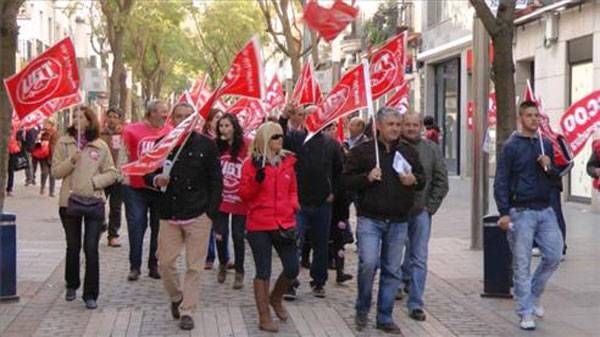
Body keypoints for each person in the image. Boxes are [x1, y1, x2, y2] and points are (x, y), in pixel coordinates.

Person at [343, 107, 425, 334]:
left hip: (399, 220)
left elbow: (421, 178)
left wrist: (413, 180)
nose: (396, 129)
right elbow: (346, 181)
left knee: (392, 270)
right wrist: (366, 178)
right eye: (391, 124)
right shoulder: (363, 152)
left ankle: (384, 316)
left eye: (398, 125)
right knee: (368, 263)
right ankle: (362, 307)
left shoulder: (408, 151)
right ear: (378, 126)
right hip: (370, 218)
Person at [145, 102, 222, 331]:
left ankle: (188, 310)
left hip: (198, 213)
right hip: (169, 213)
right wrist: (156, 180)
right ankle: (176, 297)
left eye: (189, 117)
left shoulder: (207, 145)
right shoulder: (163, 143)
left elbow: (216, 181)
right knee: (165, 264)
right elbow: (147, 172)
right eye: (179, 116)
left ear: (195, 120)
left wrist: (210, 213)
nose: (184, 120)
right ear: (172, 119)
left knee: (194, 267)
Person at [494, 101, 563, 331]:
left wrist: (549, 167)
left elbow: (556, 180)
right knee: (521, 263)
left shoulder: (545, 144)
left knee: (553, 255)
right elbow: (501, 180)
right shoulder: (511, 146)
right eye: (530, 115)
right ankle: (525, 311)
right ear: (520, 118)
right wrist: (504, 212)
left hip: (545, 209)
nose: (534, 119)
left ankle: (533, 296)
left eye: (537, 115)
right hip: (521, 211)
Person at [51, 106, 118, 309]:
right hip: (69, 202)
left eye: (81, 116)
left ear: (90, 121)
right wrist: (71, 161)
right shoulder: (64, 142)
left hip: (93, 203)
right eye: (74, 116)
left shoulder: (99, 146)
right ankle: (72, 284)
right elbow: (55, 172)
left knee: (91, 248)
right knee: (73, 246)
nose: (77, 120)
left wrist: (95, 183)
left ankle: (91, 294)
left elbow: (112, 172)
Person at [239, 122, 299, 333]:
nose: (279, 140)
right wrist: (257, 180)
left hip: (284, 222)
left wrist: (293, 206)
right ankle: (263, 316)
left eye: (281, 136)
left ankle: (276, 298)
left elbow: (292, 189)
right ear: (264, 139)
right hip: (259, 224)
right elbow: (244, 195)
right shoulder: (251, 163)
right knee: (263, 271)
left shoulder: (288, 161)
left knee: (293, 267)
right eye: (274, 137)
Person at [284, 104, 343, 299]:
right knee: (294, 242)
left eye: (315, 115)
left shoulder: (331, 144)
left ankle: (319, 281)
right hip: (298, 202)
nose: (311, 118)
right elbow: (277, 139)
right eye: (306, 115)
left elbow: (339, 172)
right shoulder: (294, 139)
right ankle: (290, 281)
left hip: (322, 203)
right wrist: (285, 117)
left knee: (321, 244)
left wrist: (333, 192)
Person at [398, 112, 449, 321]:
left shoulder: (431, 149)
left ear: (421, 126)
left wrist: (430, 207)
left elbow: (441, 181)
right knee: (390, 257)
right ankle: (393, 289)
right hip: (396, 212)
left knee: (419, 258)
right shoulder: (394, 147)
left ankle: (416, 303)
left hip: (421, 212)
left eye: (414, 124)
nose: (411, 128)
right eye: (407, 124)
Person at [120, 100, 169, 281]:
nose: (165, 116)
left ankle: (153, 265)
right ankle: (135, 266)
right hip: (135, 187)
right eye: (162, 112)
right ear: (151, 113)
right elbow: (123, 156)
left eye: (166, 112)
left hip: (159, 188)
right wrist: (122, 177)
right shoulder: (131, 130)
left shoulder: (170, 131)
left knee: (159, 228)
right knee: (136, 225)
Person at [214, 113, 249, 288]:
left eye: (227, 126)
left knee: (237, 235)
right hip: (221, 199)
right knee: (219, 235)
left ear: (234, 127)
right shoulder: (216, 147)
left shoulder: (246, 145)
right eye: (221, 126)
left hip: (239, 199)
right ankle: (222, 262)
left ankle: (240, 271)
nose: (224, 129)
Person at [202, 108, 231, 271]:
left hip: (223, 188)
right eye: (217, 118)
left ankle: (224, 257)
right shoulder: (205, 140)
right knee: (209, 223)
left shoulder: (226, 142)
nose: (220, 121)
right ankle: (209, 256)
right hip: (207, 187)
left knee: (221, 226)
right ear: (209, 122)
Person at [100, 108, 125, 247]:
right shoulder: (100, 134)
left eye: (115, 116)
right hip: (102, 175)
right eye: (110, 116)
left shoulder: (124, 134)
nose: (112, 119)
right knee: (99, 203)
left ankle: (113, 235)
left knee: (116, 207)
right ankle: (101, 224)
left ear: (119, 119)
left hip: (118, 175)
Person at [32, 119, 58, 196]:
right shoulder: (41, 132)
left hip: (52, 154)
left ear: (51, 124)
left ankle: (51, 191)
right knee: (44, 172)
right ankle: (42, 187)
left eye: (46, 124)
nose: (45, 125)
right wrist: (39, 138)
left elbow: (57, 144)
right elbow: (36, 144)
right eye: (44, 124)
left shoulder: (55, 133)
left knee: (52, 174)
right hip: (43, 155)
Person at [7, 122, 21, 197]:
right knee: (10, 171)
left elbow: (19, 141)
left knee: (10, 170)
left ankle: (9, 188)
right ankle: (9, 189)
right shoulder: (16, 129)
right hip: (8, 151)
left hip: (12, 152)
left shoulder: (16, 129)